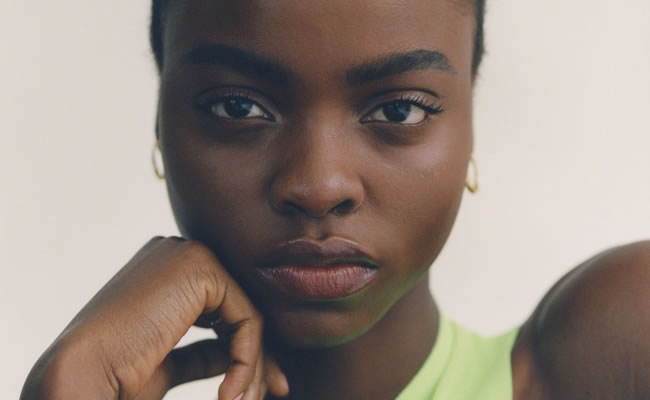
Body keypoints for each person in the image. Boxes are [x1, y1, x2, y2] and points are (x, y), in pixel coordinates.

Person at [20, 1, 650, 399]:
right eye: (239, 107)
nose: (319, 186)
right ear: (161, 125)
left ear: (470, 121)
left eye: (398, 109)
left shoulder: (610, 350)